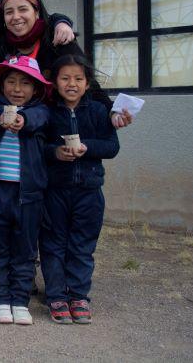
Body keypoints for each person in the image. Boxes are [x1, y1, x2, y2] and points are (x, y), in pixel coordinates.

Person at [40, 55, 120, 324]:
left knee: (82, 246)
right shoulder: (48, 111)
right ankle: (56, 297)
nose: (71, 84)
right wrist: (55, 153)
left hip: (89, 191)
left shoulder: (98, 111)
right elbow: (40, 147)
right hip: (56, 190)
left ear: (87, 84)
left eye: (78, 79)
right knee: (53, 245)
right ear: (55, 82)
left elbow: (111, 147)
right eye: (65, 78)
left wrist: (86, 147)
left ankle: (78, 296)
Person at [0, 56, 51, 325]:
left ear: (36, 89)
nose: (17, 88)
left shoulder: (41, 111)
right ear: (2, 85)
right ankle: (0, 300)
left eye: (25, 83)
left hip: (29, 194)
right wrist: (4, 115)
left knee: (25, 250)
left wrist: (22, 119)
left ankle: (20, 300)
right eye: (11, 81)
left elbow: (39, 117)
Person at [0, 0, 132, 129]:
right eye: (9, 12)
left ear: (36, 12)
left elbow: (84, 79)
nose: (16, 17)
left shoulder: (58, 38)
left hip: (58, 128)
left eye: (23, 9)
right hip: (17, 131)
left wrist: (111, 111)